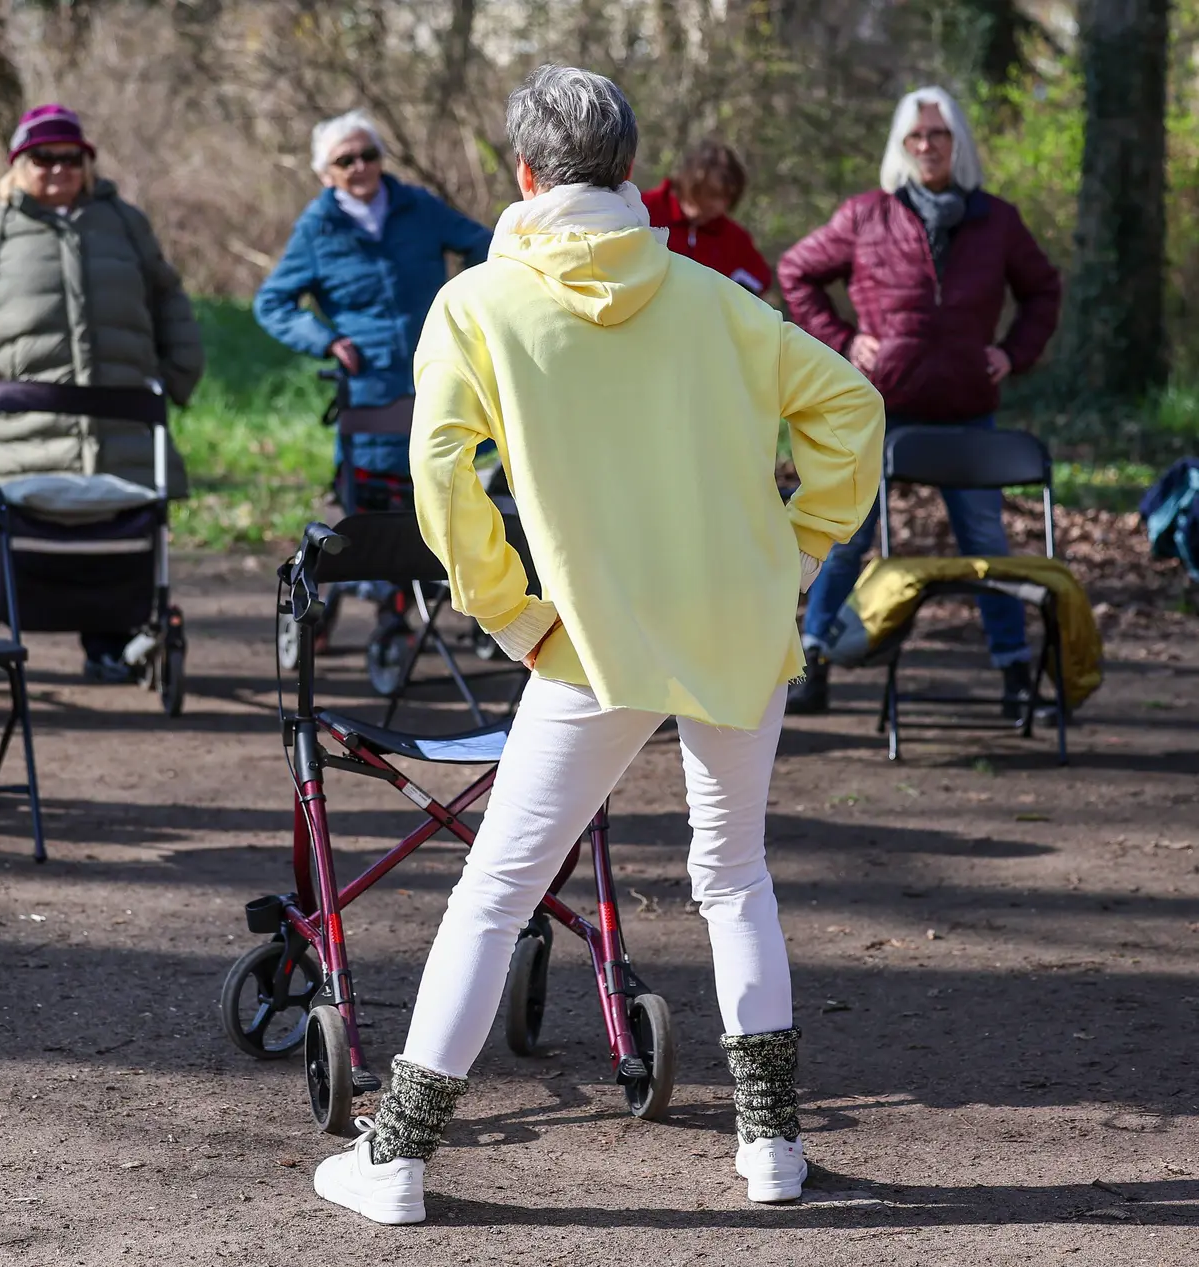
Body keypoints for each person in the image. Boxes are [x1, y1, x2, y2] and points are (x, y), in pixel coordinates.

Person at [309, 66, 884, 1225]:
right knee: (734, 876)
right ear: (629, 170)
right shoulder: (712, 296)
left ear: (524, 177)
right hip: (735, 615)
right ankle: (770, 1147)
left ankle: (400, 1155)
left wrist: (514, 612)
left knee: (496, 888)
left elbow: (438, 482)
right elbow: (852, 411)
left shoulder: (477, 304)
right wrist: (800, 548)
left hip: (588, 639)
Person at [779, 85, 1061, 715]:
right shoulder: (865, 214)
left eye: (938, 135)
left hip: (966, 408)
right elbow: (796, 271)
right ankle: (811, 660)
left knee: (984, 541)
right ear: (901, 147)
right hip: (882, 405)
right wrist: (846, 340)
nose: (928, 146)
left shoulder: (998, 221)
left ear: (957, 142)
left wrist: (1012, 354)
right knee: (848, 535)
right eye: (916, 137)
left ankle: (1017, 674)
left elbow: (1044, 290)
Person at [0, 104, 206, 684]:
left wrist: (180, 369)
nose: (59, 169)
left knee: (121, 527)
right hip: (19, 436)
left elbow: (168, 296)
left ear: (87, 164)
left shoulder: (125, 223)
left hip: (121, 433)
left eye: (72, 157)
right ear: (18, 166)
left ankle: (112, 641)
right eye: (44, 158)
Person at [253, 110, 492, 640]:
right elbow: (272, 304)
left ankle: (445, 601)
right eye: (346, 160)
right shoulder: (317, 229)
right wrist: (326, 340)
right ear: (326, 174)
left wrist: (472, 300)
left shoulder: (417, 206)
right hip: (369, 389)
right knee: (375, 502)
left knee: (442, 486)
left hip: (435, 373)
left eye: (368, 155)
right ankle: (387, 610)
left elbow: (483, 241)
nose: (361, 167)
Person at [641, 138, 773, 294]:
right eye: (711, 194)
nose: (718, 206)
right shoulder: (642, 211)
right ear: (690, 182)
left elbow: (760, 279)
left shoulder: (734, 239)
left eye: (726, 198)